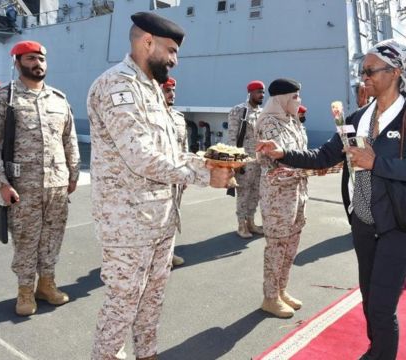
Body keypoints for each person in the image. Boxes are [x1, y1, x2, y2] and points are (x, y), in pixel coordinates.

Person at [257, 39, 406, 359]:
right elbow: (323, 156)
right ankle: (376, 349)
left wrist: (377, 163)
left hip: (398, 225)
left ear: (396, 72)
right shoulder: (356, 118)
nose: (364, 76)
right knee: (371, 299)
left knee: (383, 308)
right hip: (363, 222)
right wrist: (283, 153)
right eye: (363, 70)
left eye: (371, 70)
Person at [87, 12, 232, 360]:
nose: (174, 60)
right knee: (122, 305)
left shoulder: (151, 88)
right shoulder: (117, 86)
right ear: (146, 41)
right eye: (170, 50)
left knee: (152, 299)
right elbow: (141, 157)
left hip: (161, 218)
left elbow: (171, 152)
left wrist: (211, 164)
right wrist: (203, 176)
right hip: (127, 223)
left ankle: (147, 354)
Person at [0, 41, 80, 316]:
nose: (37, 63)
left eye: (41, 59)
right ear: (17, 63)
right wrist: (1, 184)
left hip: (56, 184)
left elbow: (69, 138)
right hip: (21, 187)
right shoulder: (2, 99)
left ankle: (47, 284)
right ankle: (25, 291)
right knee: (27, 240)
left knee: (53, 237)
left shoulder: (59, 99)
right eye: (30, 58)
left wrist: (73, 173)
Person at [253, 78, 307, 319]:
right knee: (277, 246)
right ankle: (270, 297)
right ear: (282, 98)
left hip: (297, 192)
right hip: (278, 196)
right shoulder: (269, 123)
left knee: (291, 245)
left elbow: (303, 155)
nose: (299, 101)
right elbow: (284, 159)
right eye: (295, 97)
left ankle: (281, 290)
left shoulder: (293, 123)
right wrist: (315, 167)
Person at [227, 80, 265, 238]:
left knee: (256, 193)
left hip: (260, 160)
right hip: (244, 160)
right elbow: (232, 137)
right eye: (258, 92)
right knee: (243, 193)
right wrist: (233, 161)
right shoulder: (239, 111)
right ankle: (241, 225)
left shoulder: (263, 113)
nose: (261, 95)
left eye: (263, 92)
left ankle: (251, 222)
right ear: (250, 93)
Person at [161, 77, 186, 267]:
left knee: (173, 215)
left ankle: (168, 253)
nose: (172, 94)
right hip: (158, 177)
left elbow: (183, 147)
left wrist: (185, 172)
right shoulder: (151, 116)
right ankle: (157, 257)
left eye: (173, 90)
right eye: (168, 90)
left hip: (177, 177)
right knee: (158, 218)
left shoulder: (178, 117)